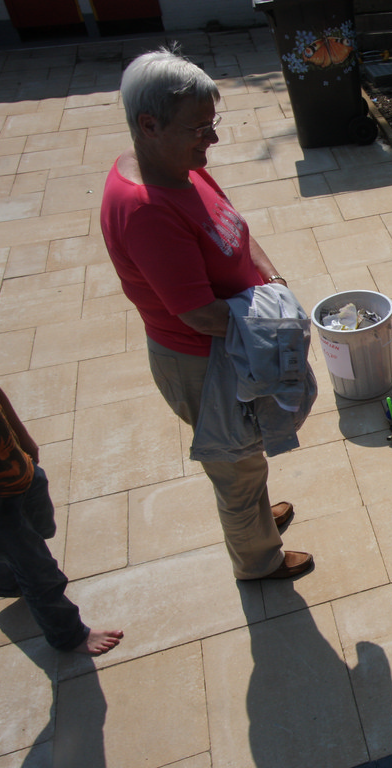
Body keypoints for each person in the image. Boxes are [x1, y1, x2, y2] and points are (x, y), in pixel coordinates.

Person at [100, 46, 312, 580]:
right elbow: (199, 314)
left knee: (245, 454)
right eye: (199, 128)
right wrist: (275, 327)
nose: (211, 139)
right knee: (234, 470)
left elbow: (234, 227)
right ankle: (257, 561)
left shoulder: (179, 167)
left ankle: (257, 516)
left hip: (227, 349)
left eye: (212, 124)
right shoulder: (147, 209)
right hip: (203, 362)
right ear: (149, 125)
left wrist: (275, 284)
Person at [0, 346, 123, 655]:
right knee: (39, 571)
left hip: (18, 466)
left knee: (41, 526)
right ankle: (68, 635)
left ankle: (6, 580)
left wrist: (22, 437)